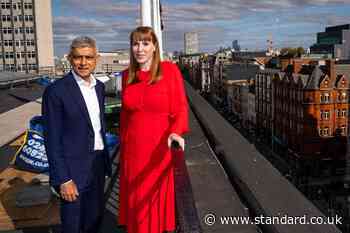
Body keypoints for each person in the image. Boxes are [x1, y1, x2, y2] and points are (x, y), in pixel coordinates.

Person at [118, 26, 189, 233]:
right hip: (133, 153)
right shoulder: (126, 76)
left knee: (153, 204)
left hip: (158, 150)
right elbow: (125, 116)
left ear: (155, 47)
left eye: (145, 43)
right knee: (137, 207)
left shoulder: (169, 70)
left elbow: (180, 108)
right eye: (135, 44)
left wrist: (176, 132)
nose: (140, 49)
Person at [42, 36, 111, 233]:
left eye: (88, 57)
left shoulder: (99, 87)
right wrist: (63, 179)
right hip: (72, 172)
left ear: (96, 58)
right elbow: (52, 139)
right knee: (73, 225)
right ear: (70, 59)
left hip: (97, 165)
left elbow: (97, 127)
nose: (83, 63)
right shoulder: (56, 91)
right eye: (78, 57)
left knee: (94, 220)